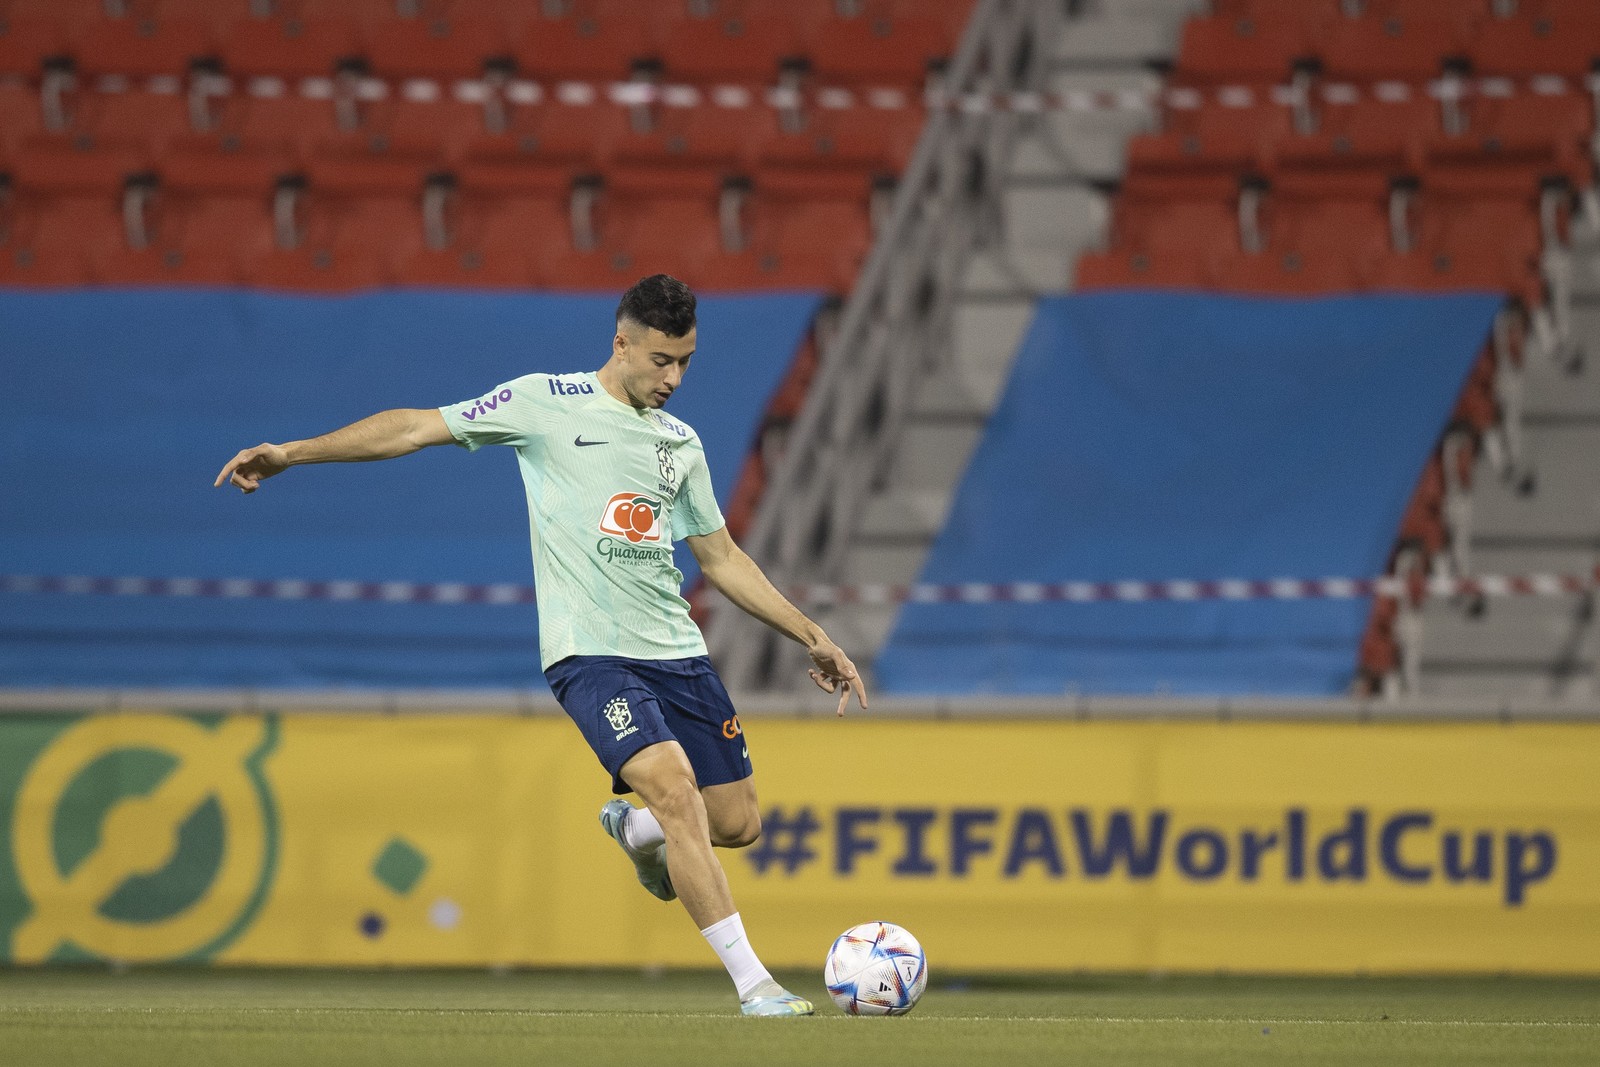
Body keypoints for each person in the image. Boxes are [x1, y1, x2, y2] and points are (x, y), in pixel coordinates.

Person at [214, 274, 867, 1016]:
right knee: (677, 788)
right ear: (621, 343)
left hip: (677, 653)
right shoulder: (545, 403)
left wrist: (811, 634)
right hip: (588, 654)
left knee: (736, 823)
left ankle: (636, 827)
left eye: (685, 361)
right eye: (661, 360)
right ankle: (757, 986)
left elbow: (720, 559)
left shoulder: (680, 444)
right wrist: (293, 453)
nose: (675, 378)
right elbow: (414, 428)